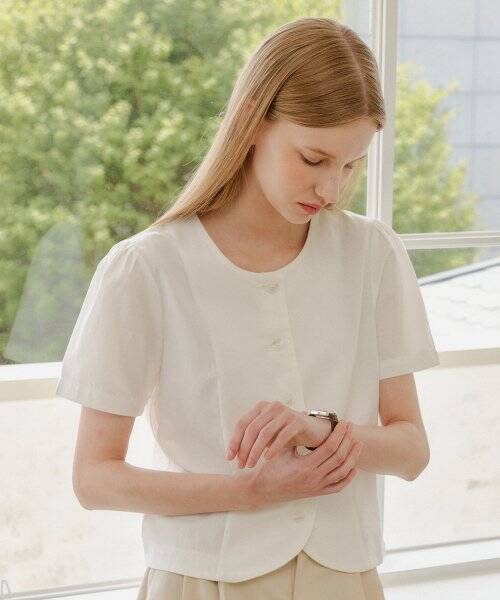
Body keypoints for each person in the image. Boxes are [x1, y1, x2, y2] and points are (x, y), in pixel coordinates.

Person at [56, 16, 440, 600]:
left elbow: (411, 451)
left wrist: (320, 429)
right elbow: (94, 479)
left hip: (344, 580)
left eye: (350, 164)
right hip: (200, 581)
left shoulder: (371, 254)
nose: (331, 189)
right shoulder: (147, 267)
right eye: (313, 159)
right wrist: (253, 491)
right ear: (254, 121)